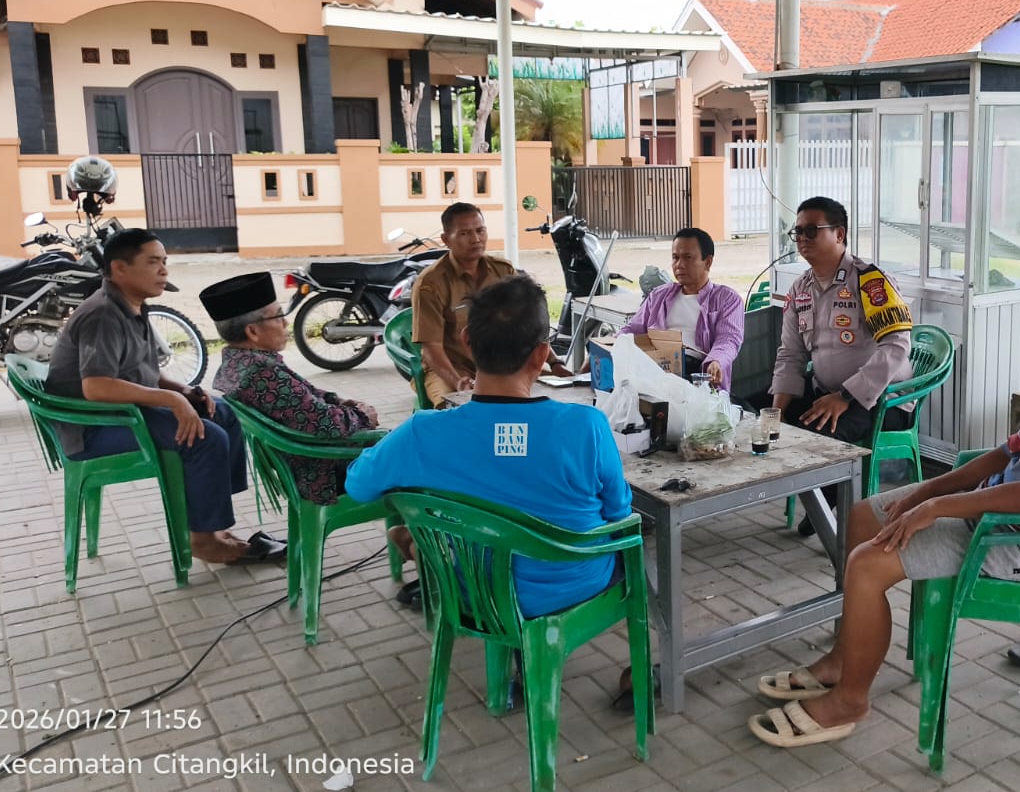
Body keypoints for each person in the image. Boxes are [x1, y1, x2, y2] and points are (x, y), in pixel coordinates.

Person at [747, 277, 1020, 748]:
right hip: (992, 513)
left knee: (868, 564)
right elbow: (1007, 453)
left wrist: (939, 506)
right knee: (861, 517)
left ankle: (850, 701)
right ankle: (845, 658)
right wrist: (929, 492)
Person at [346, 274, 630, 619]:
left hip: (474, 593)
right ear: (542, 354)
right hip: (577, 587)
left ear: (466, 340)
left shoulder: (423, 432)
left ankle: (420, 548)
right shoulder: (587, 425)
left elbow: (358, 485)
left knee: (417, 531)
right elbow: (618, 512)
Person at [45, 229, 285, 564]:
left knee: (224, 412)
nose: (163, 270)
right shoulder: (103, 315)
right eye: (153, 262)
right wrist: (171, 401)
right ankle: (203, 541)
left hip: (123, 413)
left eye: (164, 261)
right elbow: (97, 387)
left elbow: (143, 372)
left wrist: (183, 391)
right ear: (119, 269)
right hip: (94, 428)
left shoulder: (132, 306)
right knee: (205, 438)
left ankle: (213, 524)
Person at [768, 196, 914, 536]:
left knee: (818, 436)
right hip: (827, 394)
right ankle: (819, 501)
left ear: (839, 234)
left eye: (812, 230)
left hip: (881, 400)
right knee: (754, 413)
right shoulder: (800, 289)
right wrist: (776, 412)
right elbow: (790, 354)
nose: (802, 238)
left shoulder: (870, 281)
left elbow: (896, 346)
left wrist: (846, 396)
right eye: (798, 232)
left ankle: (828, 515)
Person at [203, 272, 380, 506]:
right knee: (416, 446)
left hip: (307, 466)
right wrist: (363, 415)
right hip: (325, 472)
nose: (286, 323)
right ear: (253, 332)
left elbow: (303, 398)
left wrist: (337, 400)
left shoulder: (236, 363)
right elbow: (326, 423)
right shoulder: (262, 373)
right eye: (278, 316)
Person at [411, 202, 518, 408]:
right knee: (452, 408)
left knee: (545, 394)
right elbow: (431, 349)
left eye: (480, 230)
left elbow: (526, 323)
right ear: (445, 240)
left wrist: (554, 362)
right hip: (450, 368)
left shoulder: (503, 271)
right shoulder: (430, 284)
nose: (476, 239)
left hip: (499, 366)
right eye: (464, 233)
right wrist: (457, 381)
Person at [619, 227, 744, 389]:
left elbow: (728, 339)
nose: (679, 265)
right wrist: (606, 346)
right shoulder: (659, 296)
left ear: (708, 262)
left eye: (688, 257)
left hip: (697, 374)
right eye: (675, 257)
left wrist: (716, 361)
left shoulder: (727, 299)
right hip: (656, 368)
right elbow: (631, 330)